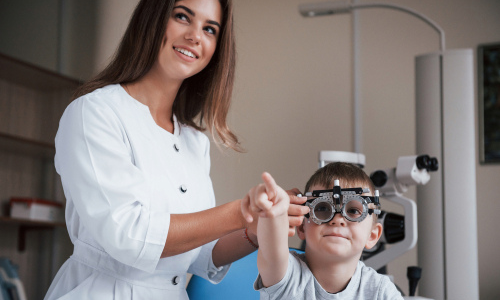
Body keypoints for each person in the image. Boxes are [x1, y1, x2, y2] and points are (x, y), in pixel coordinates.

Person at [44, 0, 308, 299]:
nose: (195, 36)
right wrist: (240, 211)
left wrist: (258, 226)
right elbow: (129, 235)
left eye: (210, 29)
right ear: (152, 19)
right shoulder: (94, 112)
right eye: (183, 17)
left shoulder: (194, 141)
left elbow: (198, 253)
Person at [242, 162, 404, 299]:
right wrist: (270, 212)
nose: (337, 219)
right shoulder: (287, 276)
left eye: (353, 211)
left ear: (373, 235)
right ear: (301, 226)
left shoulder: (380, 292)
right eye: (322, 208)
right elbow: (271, 247)